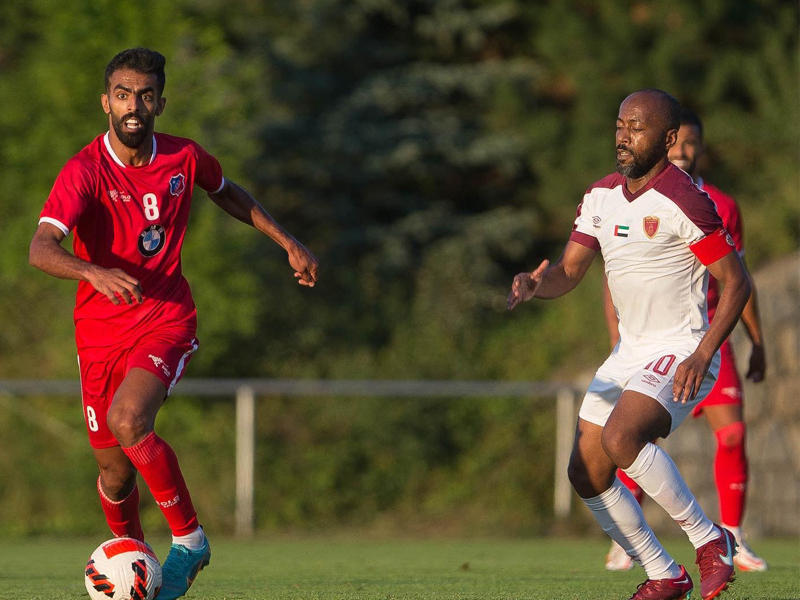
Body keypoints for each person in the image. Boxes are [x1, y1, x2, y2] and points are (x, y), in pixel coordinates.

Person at [29, 48, 319, 600]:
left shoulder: (185, 157)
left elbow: (228, 192)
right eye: (122, 95)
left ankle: (190, 541)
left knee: (129, 419)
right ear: (105, 103)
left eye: (144, 94)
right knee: (114, 474)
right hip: (98, 335)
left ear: (160, 101)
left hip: (165, 317)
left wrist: (288, 242)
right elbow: (41, 249)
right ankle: (135, 567)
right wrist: (93, 272)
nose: (133, 106)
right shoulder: (84, 170)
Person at [507, 89, 751, 600]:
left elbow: (737, 282)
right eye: (620, 124)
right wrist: (536, 286)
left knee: (621, 440)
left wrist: (704, 352)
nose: (624, 136)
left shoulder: (684, 199)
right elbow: (570, 271)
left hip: (681, 347)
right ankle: (664, 573)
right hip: (629, 354)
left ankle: (711, 540)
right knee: (585, 471)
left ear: (667, 139)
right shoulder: (600, 196)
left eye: (637, 127)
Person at [602, 108, 767, 573]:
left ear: (697, 146)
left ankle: (731, 537)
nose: (682, 152)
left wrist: (758, 341)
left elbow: (739, 277)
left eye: (691, 144)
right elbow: (611, 274)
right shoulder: (625, 195)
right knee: (630, 438)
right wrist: (619, 341)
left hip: (710, 337)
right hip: (650, 343)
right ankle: (631, 540)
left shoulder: (720, 203)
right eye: (677, 144)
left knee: (731, 434)